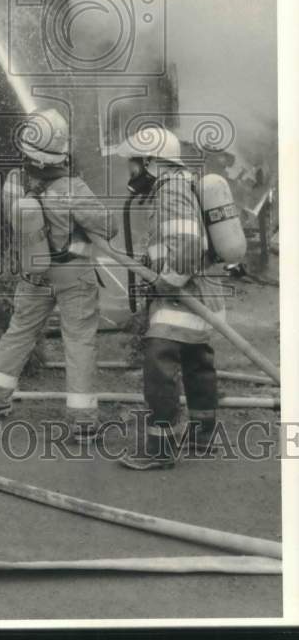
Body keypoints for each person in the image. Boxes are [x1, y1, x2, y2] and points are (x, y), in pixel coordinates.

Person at [0, 108, 118, 441]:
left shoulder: (14, 182)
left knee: (19, 332)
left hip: (33, 274)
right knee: (79, 342)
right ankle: (83, 422)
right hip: (73, 278)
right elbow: (107, 226)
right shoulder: (72, 188)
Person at [113, 127, 221, 470]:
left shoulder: (171, 192)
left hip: (180, 297)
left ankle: (160, 449)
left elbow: (188, 246)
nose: (130, 172)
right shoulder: (179, 186)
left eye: (133, 164)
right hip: (200, 295)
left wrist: (167, 281)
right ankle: (203, 438)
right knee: (196, 362)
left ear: (151, 162)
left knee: (159, 368)